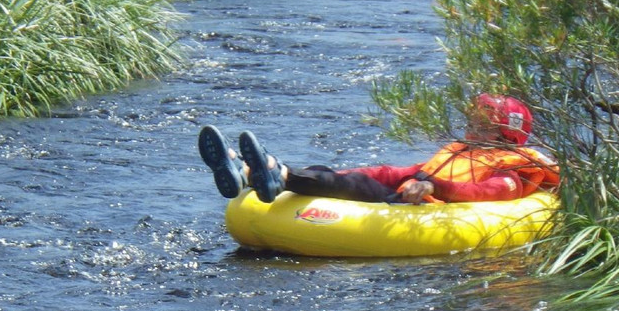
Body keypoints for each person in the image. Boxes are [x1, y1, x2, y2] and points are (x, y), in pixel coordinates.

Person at [198, 94, 560, 205]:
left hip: (426, 211)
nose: (472, 122)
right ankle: (248, 174)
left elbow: (484, 192)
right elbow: (396, 174)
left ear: (504, 132)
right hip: (406, 198)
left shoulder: (514, 169)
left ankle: (279, 175)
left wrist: (435, 187)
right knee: (338, 174)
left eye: (483, 119)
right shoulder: (461, 150)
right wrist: (341, 173)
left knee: (358, 188)